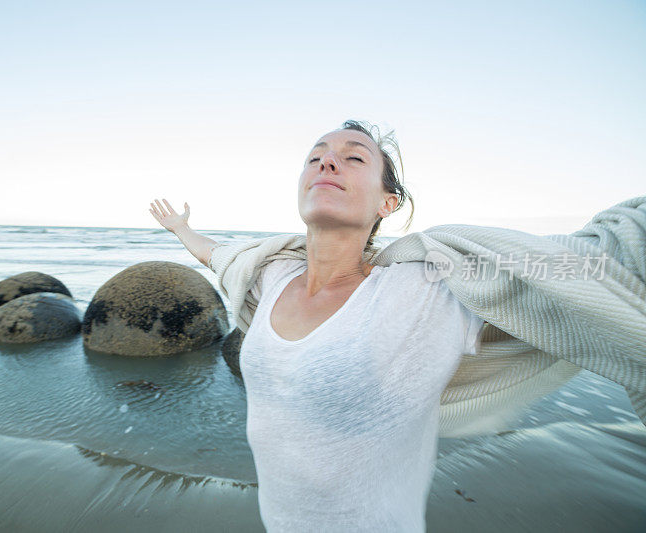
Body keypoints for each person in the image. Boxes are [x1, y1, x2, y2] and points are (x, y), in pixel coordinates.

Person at [148, 120, 487, 532]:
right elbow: (218, 256)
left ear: (387, 203)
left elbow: (551, 285)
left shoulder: (418, 289)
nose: (327, 161)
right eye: (315, 156)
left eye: (354, 157)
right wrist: (181, 228)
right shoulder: (272, 275)